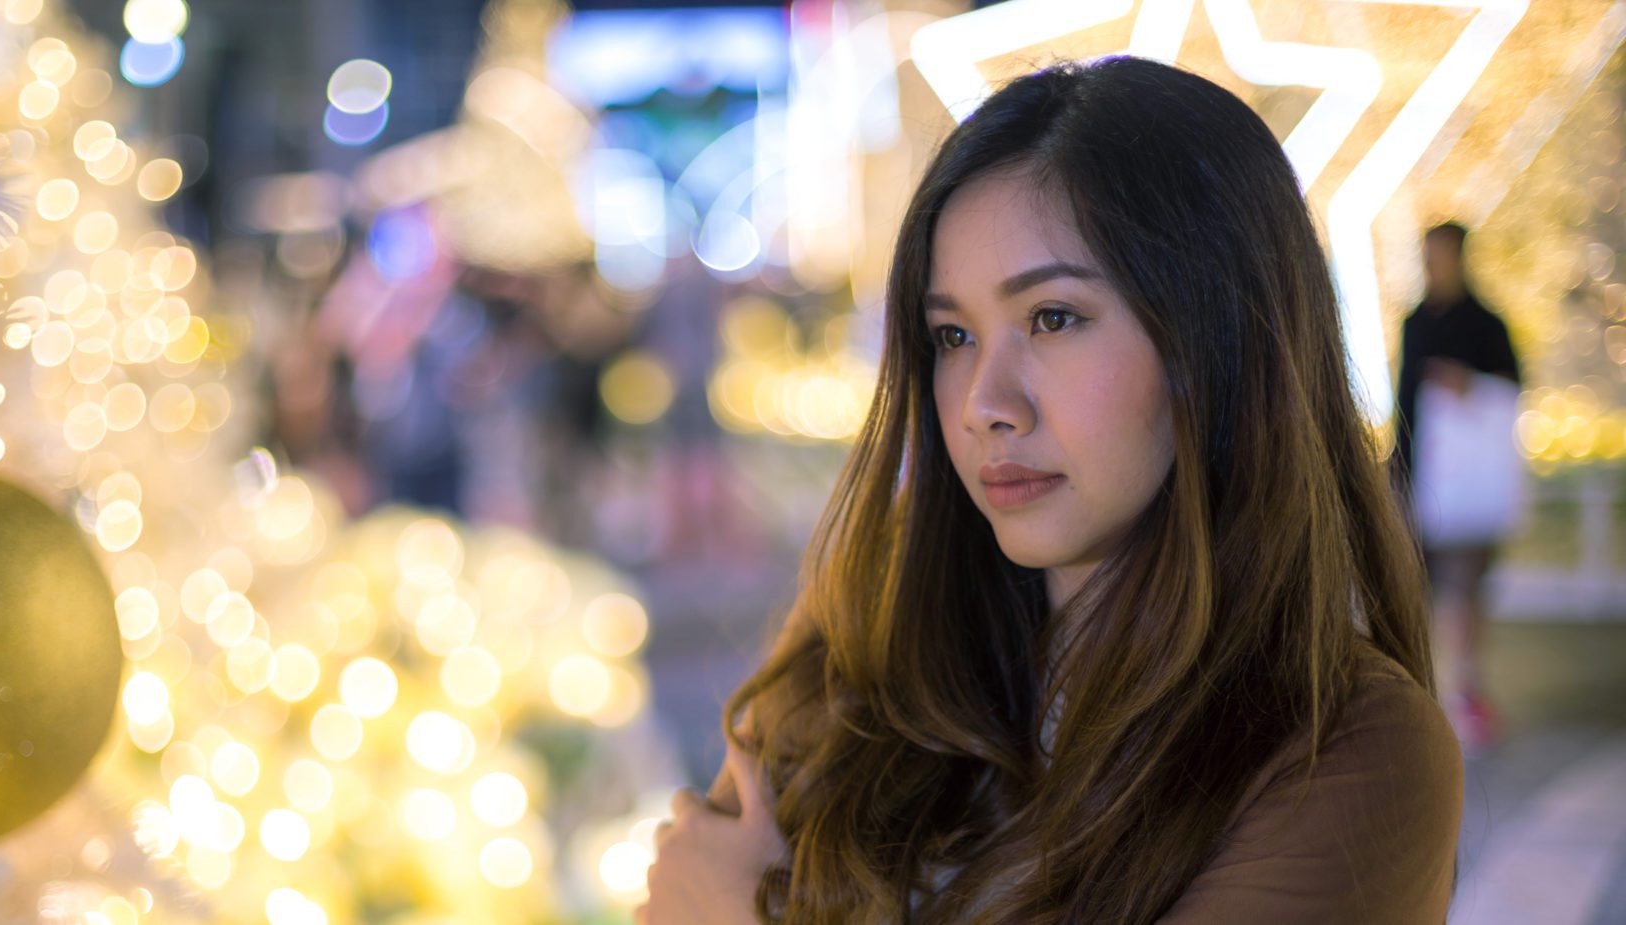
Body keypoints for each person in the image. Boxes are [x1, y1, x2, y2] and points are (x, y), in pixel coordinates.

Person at [636, 57, 1461, 924]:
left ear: (1210, 337)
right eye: (952, 334)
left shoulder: (1345, 750)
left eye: (1053, 318)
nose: (986, 404)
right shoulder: (865, 661)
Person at [1392, 221, 1522, 751]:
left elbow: (1512, 389)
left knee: (1462, 588)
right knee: (1433, 590)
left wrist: (1469, 386)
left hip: (1470, 489)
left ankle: (1464, 688)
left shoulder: (1487, 325)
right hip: (1427, 485)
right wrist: (1396, 472)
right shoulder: (1416, 323)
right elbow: (1406, 403)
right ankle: (1451, 689)